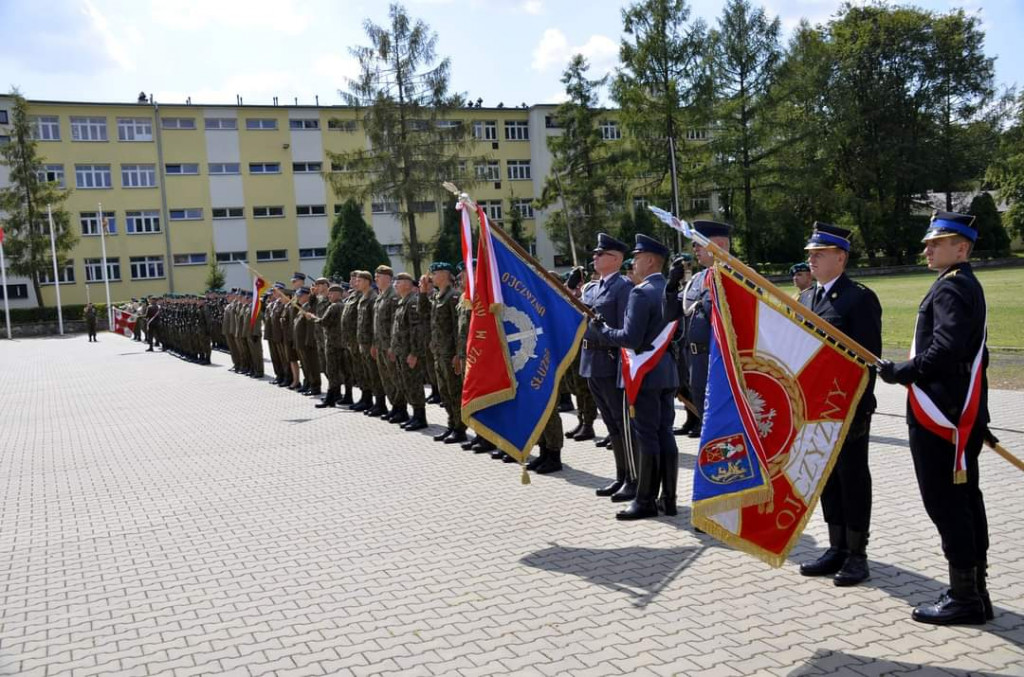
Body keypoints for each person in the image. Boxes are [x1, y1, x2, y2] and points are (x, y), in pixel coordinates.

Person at [879, 211, 992, 626]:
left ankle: (967, 598)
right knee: (966, 502)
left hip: (941, 416)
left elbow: (945, 350)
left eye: (936, 243)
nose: (926, 248)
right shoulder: (962, 284)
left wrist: (900, 373)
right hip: (959, 409)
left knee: (946, 504)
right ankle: (974, 591)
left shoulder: (950, 288)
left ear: (961, 248)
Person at [796, 223, 882, 587]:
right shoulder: (806, 299)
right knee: (826, 477)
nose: (811, 259)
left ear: (841, 257)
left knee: (852, 477)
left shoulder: (859, 298)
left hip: (847, 406)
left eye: (819, 253)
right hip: (815, 406)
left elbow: (868, 359)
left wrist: (859, 404)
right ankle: (835, 547)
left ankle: (857, 554)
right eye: (810, 254)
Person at [593, 234, 678, 520]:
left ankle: (645, 500)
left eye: (638, 257)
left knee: (647, 436)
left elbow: (629, 337)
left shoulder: (641, 293)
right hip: (666, 371)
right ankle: (669, 498)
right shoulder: (668, 289)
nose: (634, 262)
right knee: (665, 433)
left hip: (645, 373)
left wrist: (603, 329)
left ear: (651, 260)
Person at [576, 233, 635, 499]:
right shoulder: (597, 287)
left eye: (600, 254)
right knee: (611, 425)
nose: (594, 258)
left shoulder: (623, 287)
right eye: (595, 254)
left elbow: (625, 329)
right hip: (592, 363)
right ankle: (620, 476)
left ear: (615, 259)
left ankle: (632, 478)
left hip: (610, 362)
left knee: (622, 424)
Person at [664, 221, 733, 440]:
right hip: (695, 361)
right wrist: (671, 285)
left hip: (720, 360)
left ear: (719, 244)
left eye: (698, 244)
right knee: (706, 420)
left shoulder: (736, 277)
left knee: (724, 421)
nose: (694, 249)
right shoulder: (697, 279)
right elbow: (671, 313)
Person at [429, 262, 468, 444]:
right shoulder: (438, 296)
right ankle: (451, 424)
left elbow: (456, 328)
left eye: (434, 273)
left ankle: (460, 428)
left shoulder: (453, 297)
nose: (431, 277)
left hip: (450, 353)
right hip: (439, 352)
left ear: (445, 274)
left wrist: (457, 354)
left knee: (454, 391)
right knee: (444, 392)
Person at [391, 272, 429, 431]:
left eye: (398, 282)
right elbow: (397, 329)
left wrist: (414, 353)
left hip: (410, 353)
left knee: (414, 384)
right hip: (401, 351)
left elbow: (416, 330)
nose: (395, 285)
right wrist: (394, 348)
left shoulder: (412, 302)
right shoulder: (402, 302)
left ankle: (420, 417)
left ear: (407, 284)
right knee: (406, 383)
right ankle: (414, 414)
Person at [372, 265, 407, 424]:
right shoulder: (380, 296)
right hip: (380, 344)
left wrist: (393, 346)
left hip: (390, 346)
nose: (376, 279)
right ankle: (394, 406)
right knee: (386, 378)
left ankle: (401, 409)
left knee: (395, 378)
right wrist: (374, 343)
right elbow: (376, 324)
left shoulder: (393, 296)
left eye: (378, 276)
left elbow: (396, 324)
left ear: (387, 277)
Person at [312, 284, 346, 408]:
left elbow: (323, 322)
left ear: (338, 294)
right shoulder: (344, 305)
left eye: (332, 293)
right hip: (341, 343)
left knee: (331, 371)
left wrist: (313, 317)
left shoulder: (334, 306)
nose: (329, 296)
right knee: (339, 371)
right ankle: (335, 396)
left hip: (332, 343)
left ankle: (330, 398)